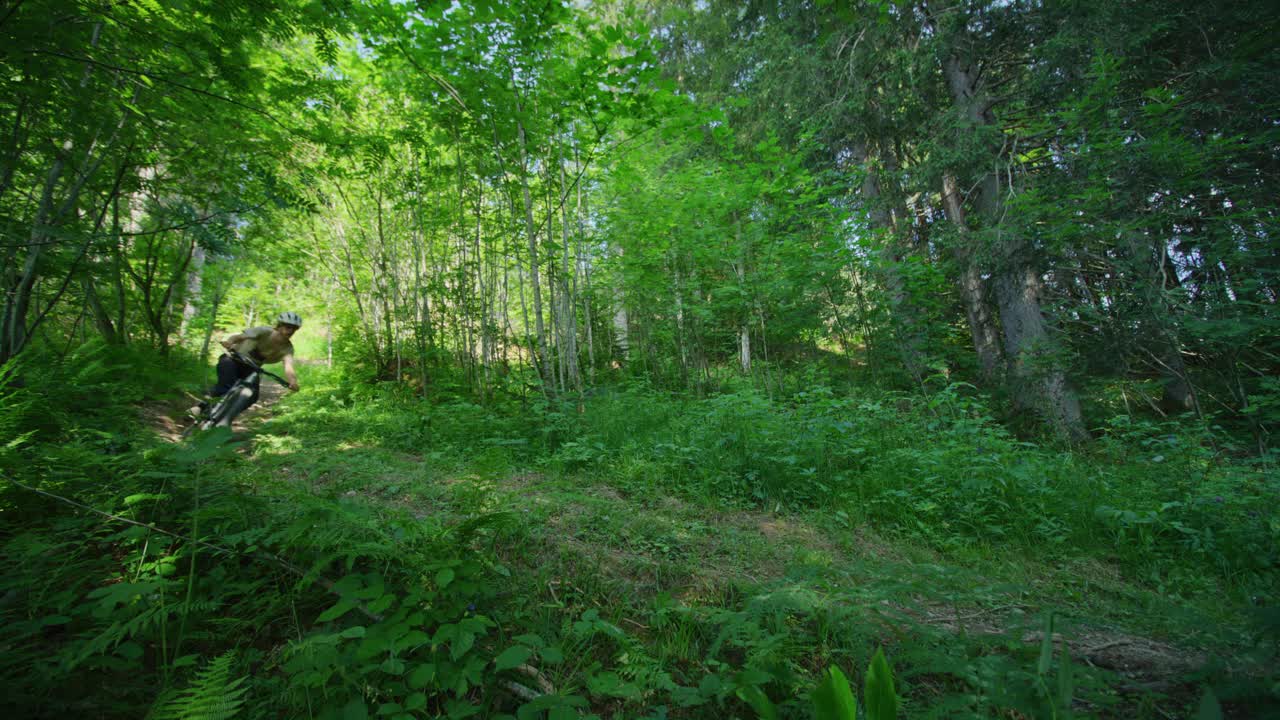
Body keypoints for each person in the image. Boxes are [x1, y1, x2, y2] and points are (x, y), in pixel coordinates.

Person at [191, 312, 302, 417]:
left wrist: (293, 382)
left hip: (251, 368)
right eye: (288, 327)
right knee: (225, 387)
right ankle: (199, 408)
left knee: (252, 396)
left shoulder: (287, 348)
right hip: (233, 359)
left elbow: (288, 366)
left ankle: (225, 416)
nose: (291, 331)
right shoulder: (263, 331)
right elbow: (238, 337)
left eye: (294, 329)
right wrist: (229, 342)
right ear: (279, 326)